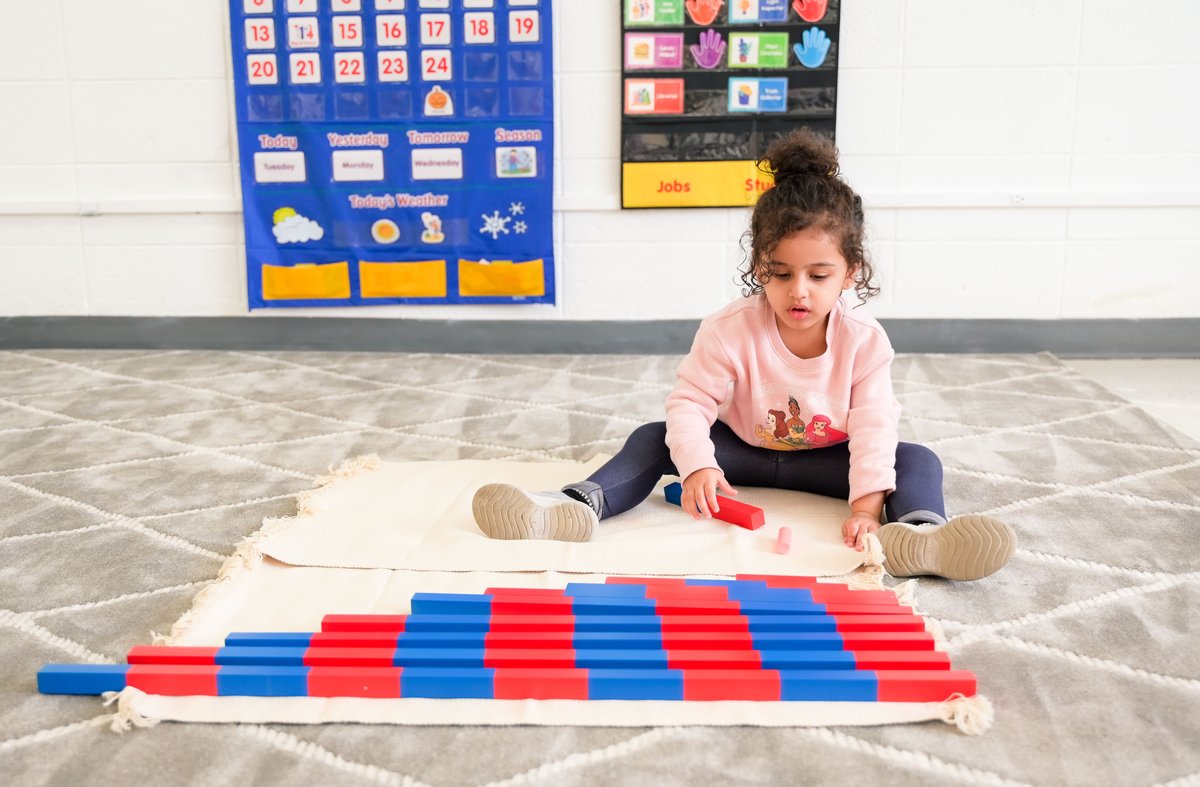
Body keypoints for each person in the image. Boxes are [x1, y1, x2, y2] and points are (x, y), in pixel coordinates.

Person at [471, 129, 1016, 581]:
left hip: (827, 459)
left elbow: (873, 427)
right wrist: (701, 467)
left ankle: (921, 535)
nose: (797, 291)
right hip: (746, 452)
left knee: (915, 458)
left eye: (818, 275)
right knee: (654, 435)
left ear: (850, 273)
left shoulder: (865, 340)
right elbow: (690, 403)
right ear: (759, 267)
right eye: (780, 274)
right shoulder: (730, 328)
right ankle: (573, 505)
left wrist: (865, 510)